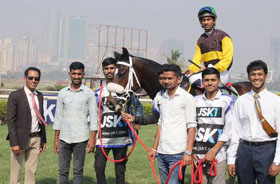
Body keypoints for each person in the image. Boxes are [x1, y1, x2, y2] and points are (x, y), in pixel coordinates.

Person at [227, 60, 280, 184]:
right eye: (253, 74)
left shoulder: (276, 101)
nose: (256, 78)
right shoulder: (241, 101)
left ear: (265, 76)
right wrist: (231, 159)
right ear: (249, 76)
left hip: (267, 150)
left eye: (260, 74)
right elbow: (235, 131)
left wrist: (277, 161)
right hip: (244, 150)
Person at [94, 57, 143, 184]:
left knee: (120, 171)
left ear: (116, 69)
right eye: (106, 69)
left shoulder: (126, 91)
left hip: (121, 137)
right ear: (103, 71)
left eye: (112, 68)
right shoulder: (98, 93)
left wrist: (137, 120)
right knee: (98, 168)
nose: (109, 71)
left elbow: (138, 106)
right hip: (103, 138)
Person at [149, 64, 197, 184]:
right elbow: (160, 124)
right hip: (161, 152)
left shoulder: (187, 97)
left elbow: (191, 127)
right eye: (164, 78)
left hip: (178, 152)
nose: (166, 81)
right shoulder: (161, 97)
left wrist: (188, 152)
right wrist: (154, 148)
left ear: (179, 79)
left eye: (170, 78)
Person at [53, 62, 97, 184]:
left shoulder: (89, 93)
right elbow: (58, 117)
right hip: (64, 138)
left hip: (81, 139)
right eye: (74, 74)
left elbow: (94, 117)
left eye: (79, 74)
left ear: (83, 74)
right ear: (69, 74)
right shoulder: (62, 93)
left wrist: (93, 139)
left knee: (78, 171)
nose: (77, 76)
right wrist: (56, 139)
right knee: (63, 171)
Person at [192, 67, 235, 184]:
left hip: (218, 154)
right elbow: (191, 127)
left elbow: (228, 130)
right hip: (198, 154)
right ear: (202, 82)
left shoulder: (228, 101)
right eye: (206, 80)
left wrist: (213, 151)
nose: (210, 83)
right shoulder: (195, 101)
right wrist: (191, 151)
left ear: (219, 81)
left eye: (213, 80)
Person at [6, 67, 47, 184]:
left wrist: (43, 139)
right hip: (19, 140)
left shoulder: (39, 96)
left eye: (36, 78)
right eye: (31, 78)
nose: (33, 80)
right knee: (15, 174)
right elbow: (11, 121)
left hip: (36, 139)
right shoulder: (15, 95)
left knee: (31, 173)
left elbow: (41, 117)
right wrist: (14, 143)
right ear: (25, 79)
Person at [186, 6, 233, 88]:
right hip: (206, 73)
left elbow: (227, 59)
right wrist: (189, 71)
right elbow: (196, 61)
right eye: (203, 20)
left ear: (214, 20)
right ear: (201, 22)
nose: (206, 22)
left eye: (208, 19)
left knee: (209, 81)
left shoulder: (224, 36)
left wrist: (213, 68)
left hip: (221, 72)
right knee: (191, 78)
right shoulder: (200, 41)